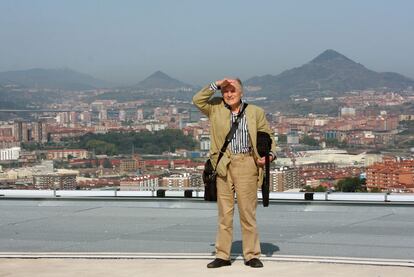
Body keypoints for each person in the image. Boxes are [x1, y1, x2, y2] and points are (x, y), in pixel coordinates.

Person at [193, 78, 276, 268]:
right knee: (225, 214)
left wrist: (270, 156)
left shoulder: (255, 112)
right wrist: (216, 84)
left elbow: (268, 136)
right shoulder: (215, 109)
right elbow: (197, 100)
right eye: (226, 91)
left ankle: (252, 254)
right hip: (223, 165)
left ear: (241, 93)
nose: (229, 95)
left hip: (247, 163)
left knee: (247, 212)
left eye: (233, 91)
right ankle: (223, 255)